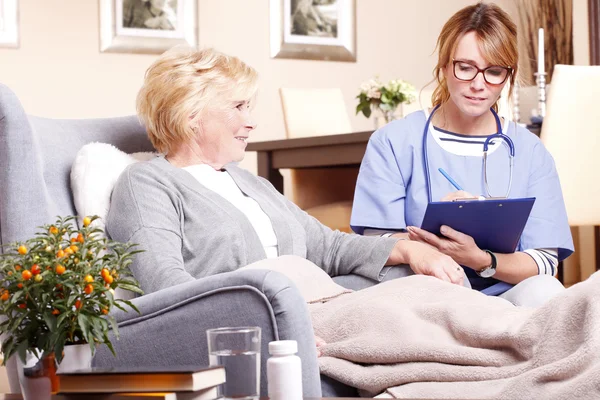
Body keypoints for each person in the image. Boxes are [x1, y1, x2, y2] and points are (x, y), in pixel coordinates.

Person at [106, 47, 468, 302]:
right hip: (264, 315)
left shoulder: (247, 181)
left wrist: (408, 249)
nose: (251, 121)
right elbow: (165, 285)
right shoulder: (147, 184)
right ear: (191, 115)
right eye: (238, 106)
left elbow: (329, 246)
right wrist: (266, 325)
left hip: (319, 298)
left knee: (427, 277)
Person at [350, 2, 574, 307]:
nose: (478, 84)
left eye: (494, 71)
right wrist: (432, 245)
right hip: (425, 290)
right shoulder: (393, 142)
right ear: (444, 66)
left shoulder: (530, 152)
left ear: (508, 76)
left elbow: (544, 263)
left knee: (547, 292)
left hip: (505, 293)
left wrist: (482, 259)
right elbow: (373, 245)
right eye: (465, 67)